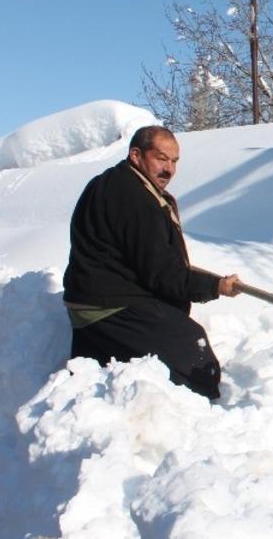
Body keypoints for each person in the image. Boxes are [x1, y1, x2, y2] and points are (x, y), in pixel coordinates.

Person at [63, 125, 240, 400]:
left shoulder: (110, 182)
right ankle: (198, 413)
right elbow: (162, 273)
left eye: (174, 161)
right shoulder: (134, 199)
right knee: (194, 349)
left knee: (100, 377)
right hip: (110, 304)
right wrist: (216, 286)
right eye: (161, 158)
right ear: (136, 155)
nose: (169, 169)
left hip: (93, 298)